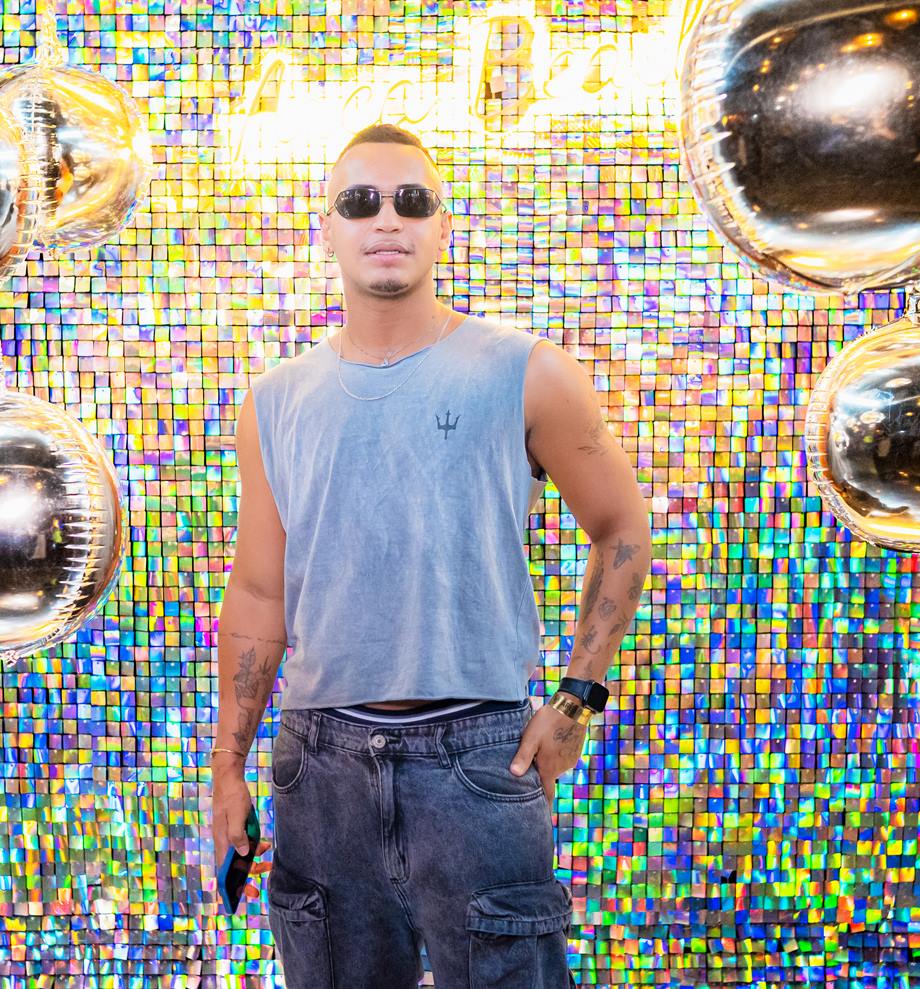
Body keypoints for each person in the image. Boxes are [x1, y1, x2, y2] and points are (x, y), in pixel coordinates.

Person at [206, 122, 652, 987]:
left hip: (479, 761)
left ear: (443, 227)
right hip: (320, 771)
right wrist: (227, 766)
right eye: (359, 202)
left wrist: (578, 698)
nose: (386, 219)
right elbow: (258, 594)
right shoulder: (275, 403)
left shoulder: (528, 372)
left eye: (411, 201)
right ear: (327, 228)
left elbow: (623, 529)